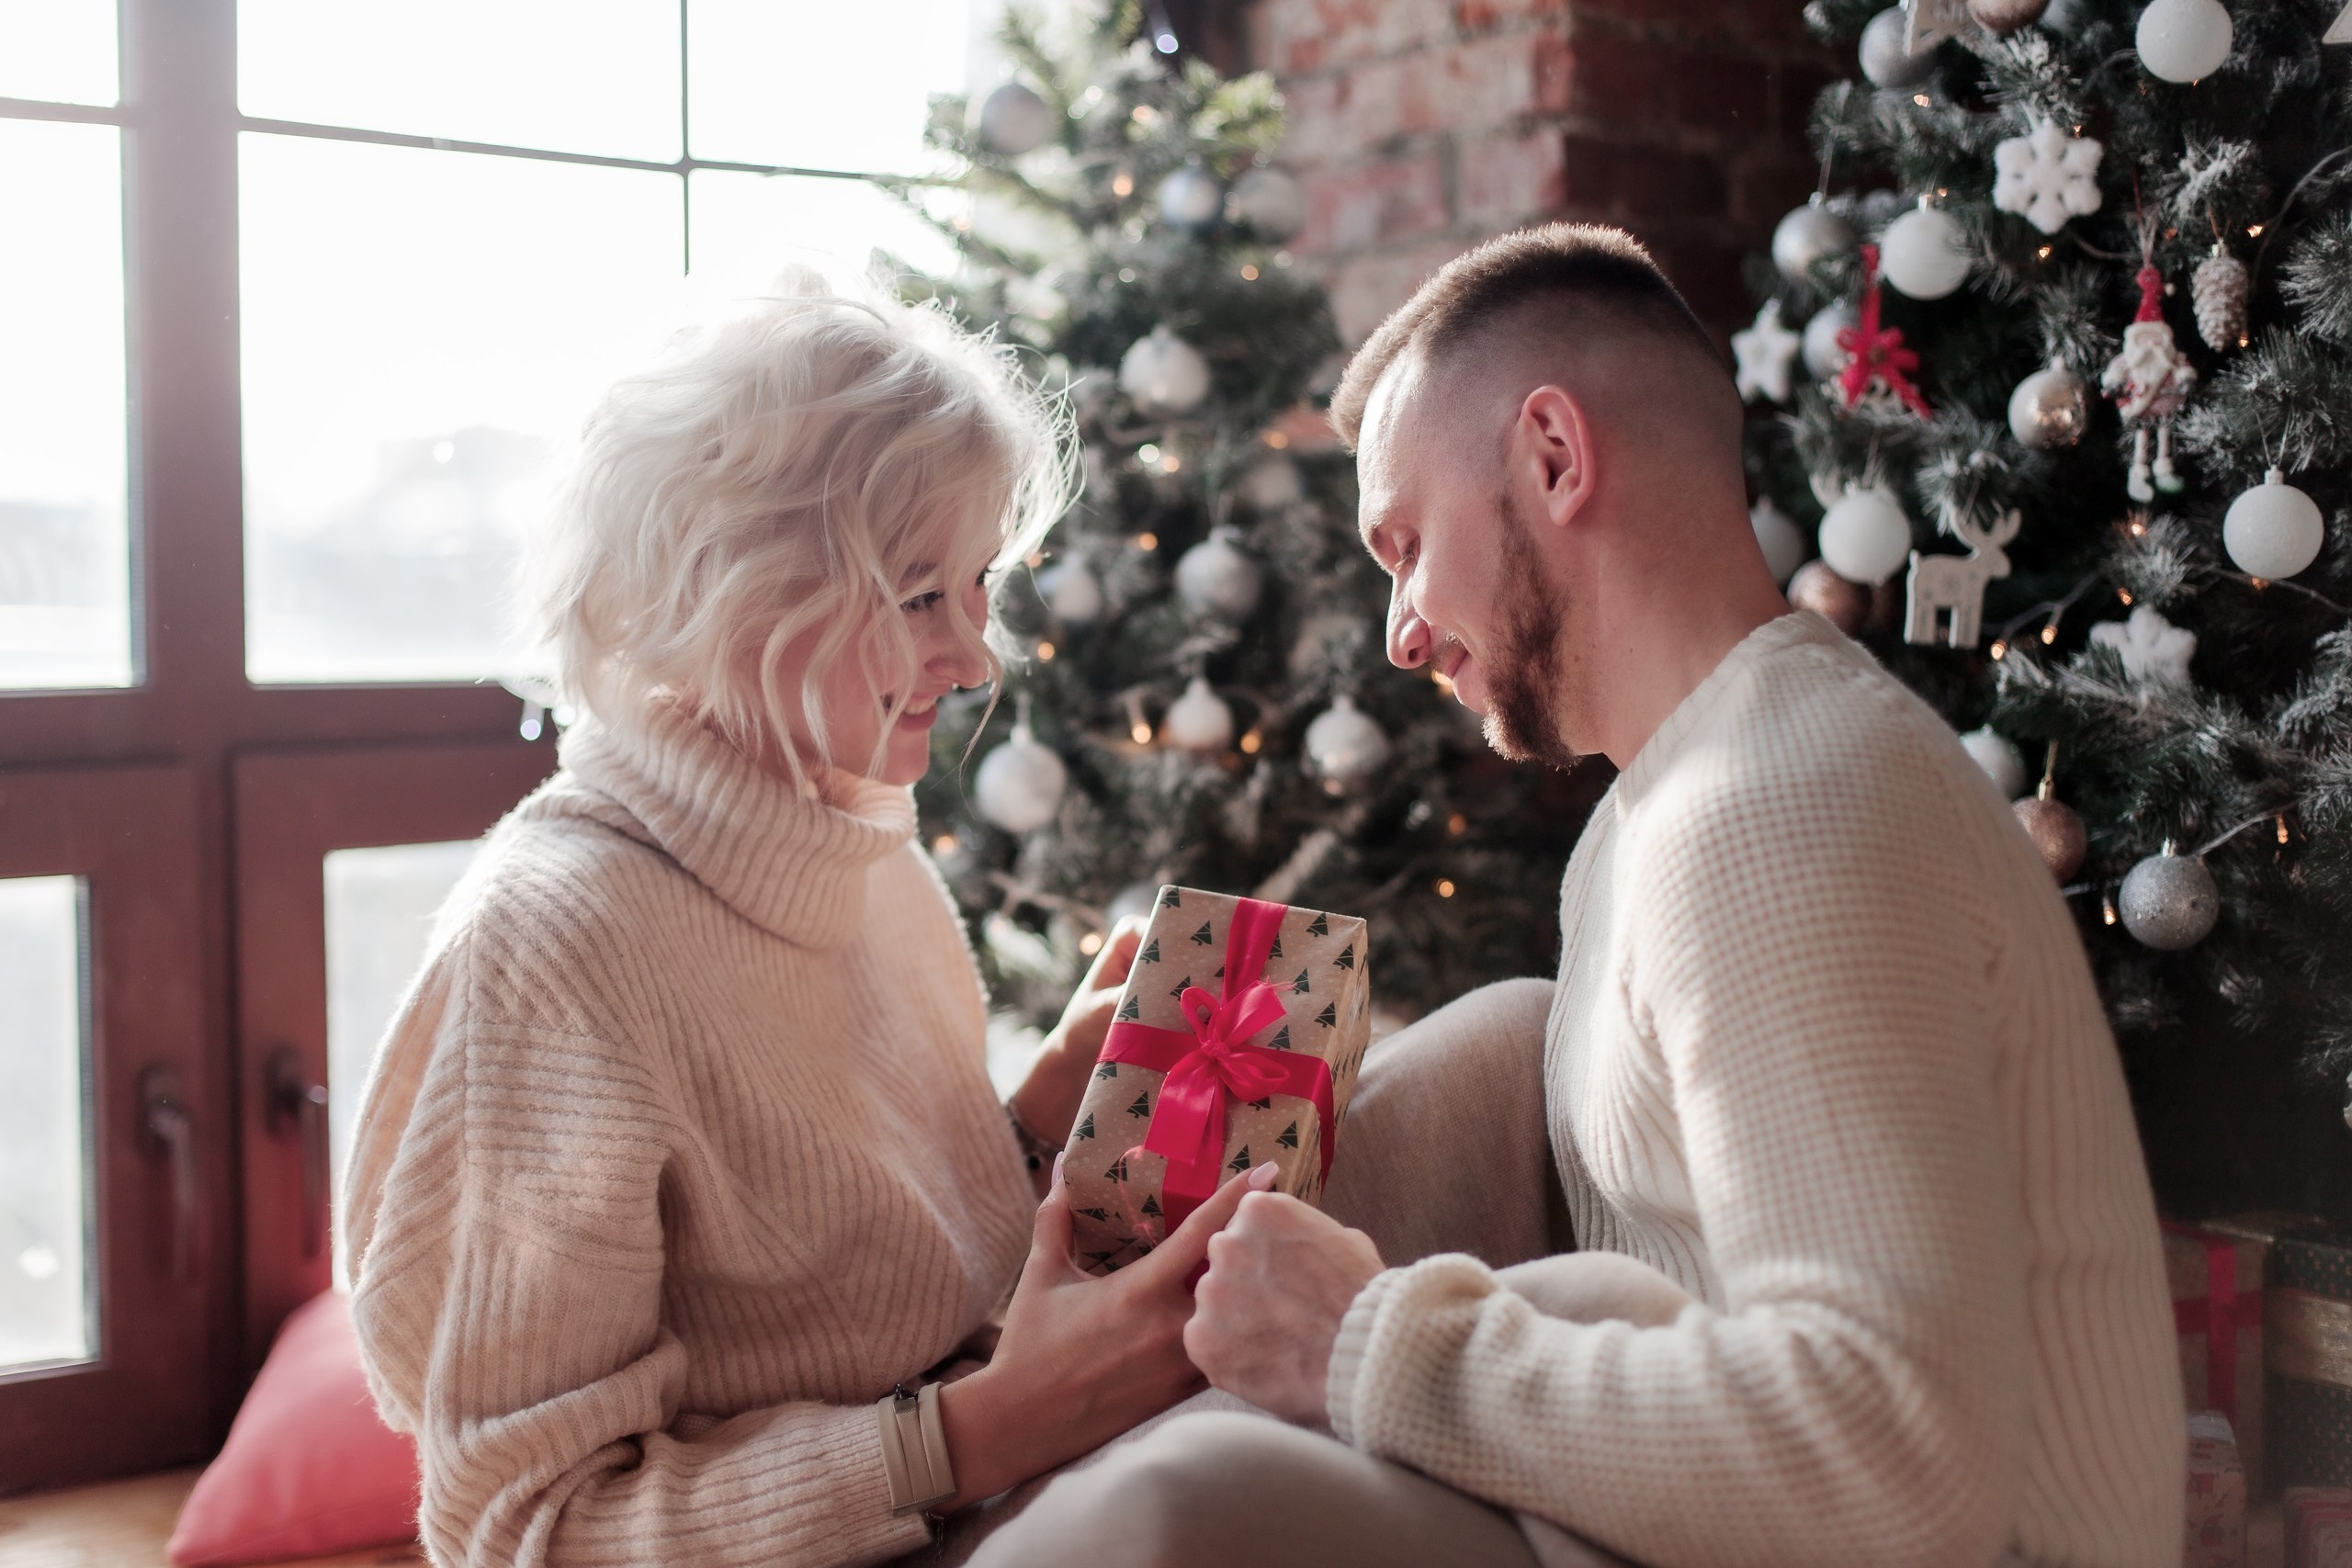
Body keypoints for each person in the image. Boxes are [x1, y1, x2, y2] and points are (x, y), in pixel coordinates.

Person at [969, 224, 2184, 1568]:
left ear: (1553, 456)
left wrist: (1361, 1340)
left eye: (1407, 544)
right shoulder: (1657, 809)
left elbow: (1891, 1454)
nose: (1400, 633)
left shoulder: (1779, 807)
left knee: (1170, 1511)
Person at [341, 274, 1270, 1567]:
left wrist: (1036, 1121)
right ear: (736, 596)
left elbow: (864, 1296)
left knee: (1479, 1051)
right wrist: (984, 1435)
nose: (976, 660)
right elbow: (522, 1530)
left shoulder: (862, 848)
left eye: (978, 584)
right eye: (918, 597)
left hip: (994, 1488)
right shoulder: (552, 946)